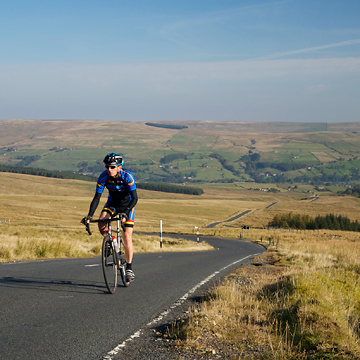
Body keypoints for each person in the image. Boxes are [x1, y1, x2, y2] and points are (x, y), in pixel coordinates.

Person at [82, 153, 138, 282]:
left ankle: (129, 268)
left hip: (127, 206)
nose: (109, 170)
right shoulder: (103, 177)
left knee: (127, 236)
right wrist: (89, 216)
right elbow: (97, 198)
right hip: (112, 204)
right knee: (102, 222)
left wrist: (126, 212)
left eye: (112, 167)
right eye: (107, 167)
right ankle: (111, 241)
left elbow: (135, 198)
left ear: (120, 167)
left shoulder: (127, 176)